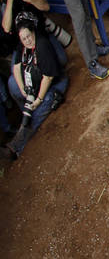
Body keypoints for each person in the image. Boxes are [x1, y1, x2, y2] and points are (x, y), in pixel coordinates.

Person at [2, 11, 69, 161]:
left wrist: (37, 100)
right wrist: (23, 90)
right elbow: (16, 67)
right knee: (12, 84)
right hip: (33, 83)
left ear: (33, 32)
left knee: (41, 107)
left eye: (28, 36)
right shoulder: (23, 43)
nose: (27, 41)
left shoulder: (42, 45)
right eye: (24, 38)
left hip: (52, 85)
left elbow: (48, 77)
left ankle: (16, 146)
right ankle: (26, 115)